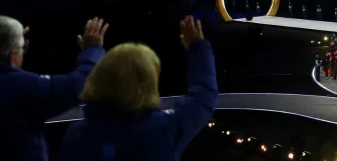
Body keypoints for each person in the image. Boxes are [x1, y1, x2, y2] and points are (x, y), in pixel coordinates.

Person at [58, 16, 217, 161]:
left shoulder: (76, 133)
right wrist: (198, 47)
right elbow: (203, 95)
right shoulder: (164, 128)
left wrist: (90, 52)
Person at [0, 16, 108, 161]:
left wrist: (7, 40)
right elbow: (77, 85)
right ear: (12, 55)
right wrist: (92, 50)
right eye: (23, 49)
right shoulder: (21, 87)